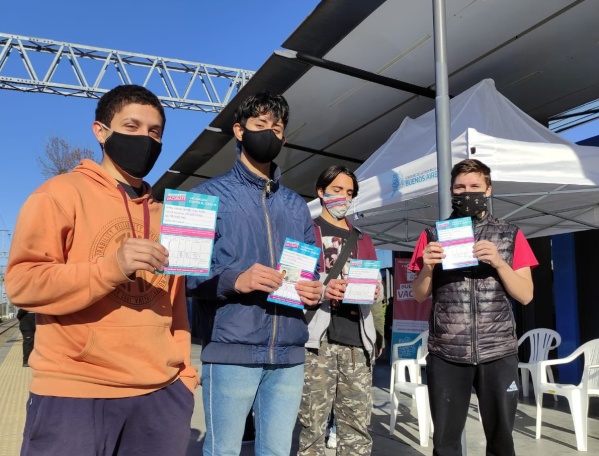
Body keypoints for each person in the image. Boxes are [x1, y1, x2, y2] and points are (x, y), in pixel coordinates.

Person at [5, 84, 198, 456]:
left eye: (155, 132)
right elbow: (22, 283)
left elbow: (175, 304)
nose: (145, 139)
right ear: (101, 131)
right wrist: (113, 267)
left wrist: (184, 376)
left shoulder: (168, 216)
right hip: (75, 393)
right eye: (131, 126)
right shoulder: (59, 194)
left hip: (161, 395)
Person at [186, 90, 322, 456]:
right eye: (261, 124)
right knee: (223, 451)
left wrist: (314, 290)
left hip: (289, 354)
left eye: (277, 128)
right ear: (239, 130)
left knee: (277, 452)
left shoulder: (297, 205)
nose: (270, 133)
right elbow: (184, 277)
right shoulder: (204, 195)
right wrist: (236, 280)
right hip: (231, 350)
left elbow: (312, 271)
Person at [409, 159, 538, 456]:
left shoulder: (510, 234)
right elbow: (419, 295)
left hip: (498, 352)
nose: (467, 192)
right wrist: (427, 267)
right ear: (451, 191)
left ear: (488, 190)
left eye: (475, 186)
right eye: (460, 187)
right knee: (445, 444)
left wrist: (499, 262)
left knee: (502, 442)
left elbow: (526, 295)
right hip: (447, 352)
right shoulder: (432, 235)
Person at [298, 165, 385, 455]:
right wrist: (324, 287)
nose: (343, 198)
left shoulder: (362, 239)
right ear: (321, 192)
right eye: (336, 190)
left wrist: (376, 290)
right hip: (316, 343)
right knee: (312, 428)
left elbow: (375, 284)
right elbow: (291, 280)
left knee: (357, 430)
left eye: (349, 193)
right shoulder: (306, 231)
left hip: (356, 342)